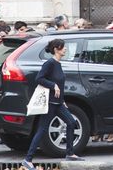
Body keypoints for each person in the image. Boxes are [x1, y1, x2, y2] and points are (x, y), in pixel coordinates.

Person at [22, 39, 83, 169]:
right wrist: (52, 85)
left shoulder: (58, 64)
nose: (65, 49)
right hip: (49, 103)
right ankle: (28, 159)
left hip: (58, 103)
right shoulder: (49, 63)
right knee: (42, 129)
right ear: (56, 49)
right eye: (63, 47)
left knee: (71, 122)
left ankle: (70, 153)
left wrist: (62, 100)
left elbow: (60, 85)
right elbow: (39, 78)